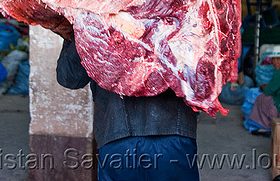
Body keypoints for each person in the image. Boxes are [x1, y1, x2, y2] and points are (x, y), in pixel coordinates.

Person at [56, 34, 200, 181]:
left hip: (117, 136)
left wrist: (71, 32)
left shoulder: (92, 15)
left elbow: (70, 77)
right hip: (173, 134)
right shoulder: (184, 12)